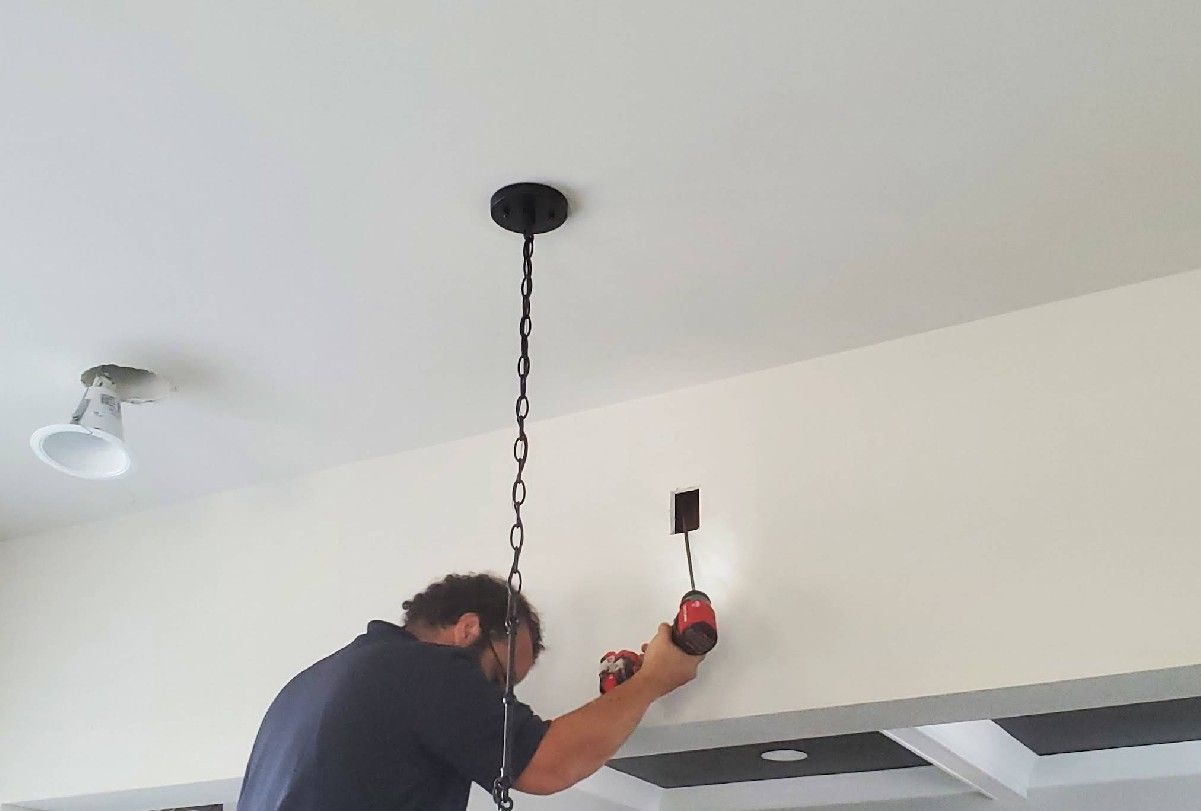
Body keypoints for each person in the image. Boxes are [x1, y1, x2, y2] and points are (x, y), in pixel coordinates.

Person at [238, 572, 704, 810]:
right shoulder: (422, 668)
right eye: (498, 682)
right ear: (467, 629)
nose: (496, 703)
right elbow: (546, 765)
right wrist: (654, 680)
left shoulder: (308, 686)